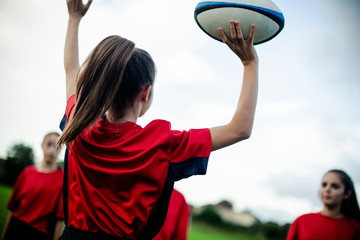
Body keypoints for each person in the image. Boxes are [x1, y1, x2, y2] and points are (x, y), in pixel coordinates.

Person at [58, 0, 258, 239]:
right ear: (146, 92)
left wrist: (74, 19)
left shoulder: (79, 124)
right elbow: (240, 129)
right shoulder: (162, 143)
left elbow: (71, 70)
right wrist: (250, 63)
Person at [1, 132, 64, 240]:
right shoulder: (27, 173)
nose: (52, 150)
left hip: (39, 233)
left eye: (57, 146)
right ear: (42, 145)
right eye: (49, 144)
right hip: (15, 227)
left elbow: (60, 218)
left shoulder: (62, 179)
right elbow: (13, 208)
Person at [286, 169, 360, 240]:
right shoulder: (301, 222)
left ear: (347, 193)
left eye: (335, 186)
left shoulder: (354, 228)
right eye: (324, 185)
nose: (327, 189)